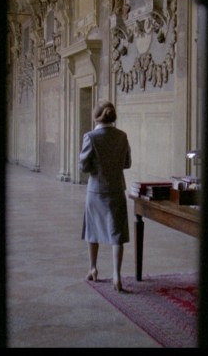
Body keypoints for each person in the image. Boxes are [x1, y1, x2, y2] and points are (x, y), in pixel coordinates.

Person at [79, 101, 132, 293]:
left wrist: (96, 166)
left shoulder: (90, 137)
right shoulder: (122, 136)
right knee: (117, 233)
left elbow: (83, 166)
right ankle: (117, 275)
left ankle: (93, 268)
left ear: (96, 117)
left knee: (92, 230)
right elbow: (127, 163)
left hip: (96, 190)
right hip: (116, 189)